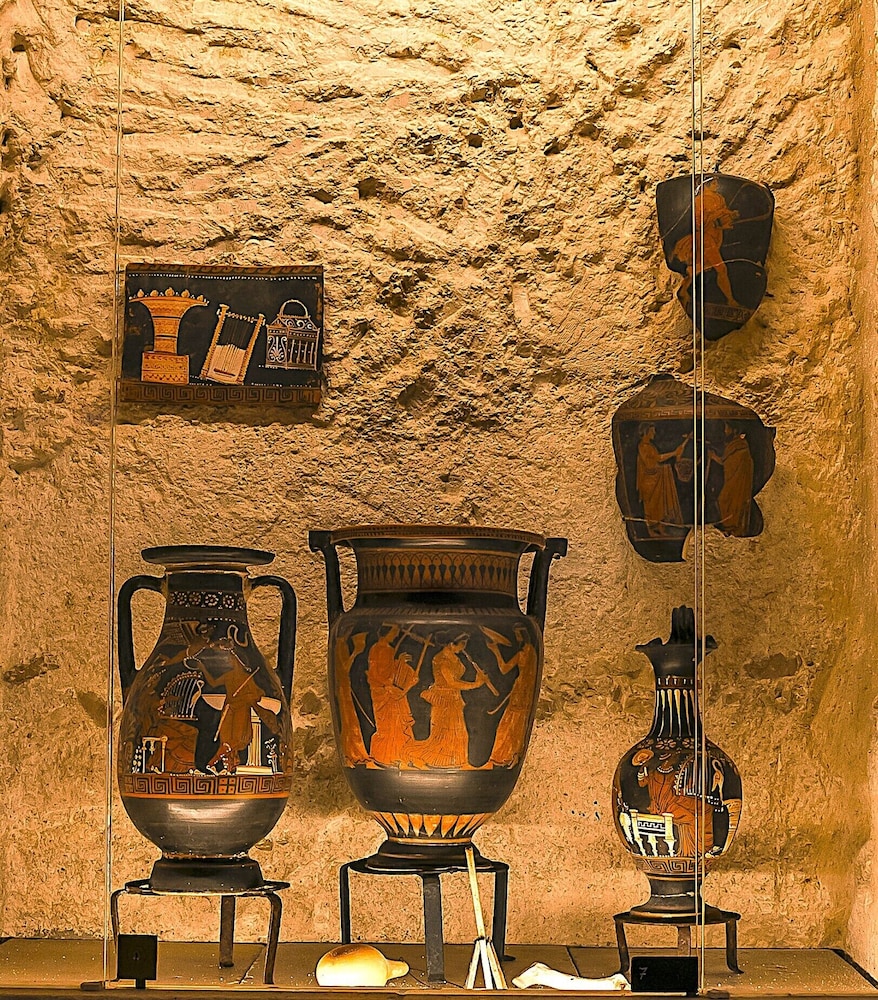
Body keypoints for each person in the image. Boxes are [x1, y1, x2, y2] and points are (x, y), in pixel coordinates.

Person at [415, 637, 485, 768]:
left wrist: (477, 678)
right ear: (451, 643)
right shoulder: (442, 660)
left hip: (454, 698)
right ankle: (441, 763)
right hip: (444, 699)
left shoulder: (454, 657)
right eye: (462, 644)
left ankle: (456, 762)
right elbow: (452, 682)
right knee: (445, 733)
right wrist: (475, 684)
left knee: (458, 732)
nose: (463, 648)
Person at [672, 179, 740, 309]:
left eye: (716, 183)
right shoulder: (699, 200)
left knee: (697, 268)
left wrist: (730, 216)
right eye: (714, 183)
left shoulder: (719, 198)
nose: (717, 185)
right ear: (705, 185)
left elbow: (723, 218)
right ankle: (730, 300)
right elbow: (699, 223)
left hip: (716, 236)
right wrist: (717, 217)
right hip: (706, 239)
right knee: (721, 269)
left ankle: (683, 291)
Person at [365, 627, 418, 766]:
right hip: (381, 692)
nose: (395, 635)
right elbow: (374, 673)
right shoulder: (376, 649)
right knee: (386, 726)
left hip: (390, 690)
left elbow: (390, 670)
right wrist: (388, 685)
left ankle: (398, 756)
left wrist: (400, 662)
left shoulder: (389, 649)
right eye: (394, 632)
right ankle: (383, 758)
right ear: (386, 632)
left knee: (397, 724)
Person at [485, 627, 538, 767]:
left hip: (520, 691)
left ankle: (506, 756)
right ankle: (512, 755)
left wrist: (495, 651)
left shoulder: (523, 653)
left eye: (518, 635)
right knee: (517, 723)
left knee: (510, 723)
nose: (517, 639)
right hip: (523, 690)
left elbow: (504, 668)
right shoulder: (532, 652)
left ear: (523, 636)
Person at [636, 424, 690, 536]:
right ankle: (651, 530)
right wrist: (674, 453)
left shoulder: (650, 446)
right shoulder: (643, 447)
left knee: (659, 504)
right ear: (646, 432)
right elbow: (653, 463)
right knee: (651, 506)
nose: (654, 433)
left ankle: (660, 528)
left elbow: (657, 459)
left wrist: (674, 454)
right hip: (649, 481)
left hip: (656, 479)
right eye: (652, 431)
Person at [709, 423, 754, 536]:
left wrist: (714, 457)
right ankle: (729, 526)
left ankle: (732, 527)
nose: (725, 431)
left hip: (738, 480)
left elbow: (730, 462)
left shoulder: (740, 445)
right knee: (724, 500)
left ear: (734, 430)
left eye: (727, 428)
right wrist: (714, 456)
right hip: (732, 478)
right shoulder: (733, 444)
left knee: (727, 500)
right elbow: (727, 461)